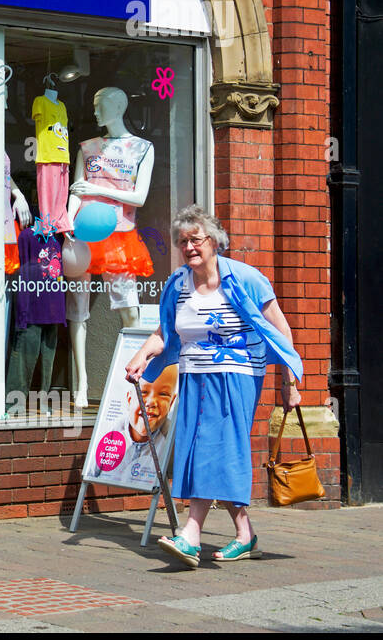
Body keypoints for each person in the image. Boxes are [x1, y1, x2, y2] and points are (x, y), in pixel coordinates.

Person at [125, 205, 302, 568]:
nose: (189, 247)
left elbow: (281, 331)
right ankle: (245, 534)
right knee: (200, 448)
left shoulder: (246, 278)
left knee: (210, 445)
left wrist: (289, 381)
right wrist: (142, 356)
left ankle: (190, 534)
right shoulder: (177, 283)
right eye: (182, 241)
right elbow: (165, 332)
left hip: (238, 375)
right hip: (193, 375)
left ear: (215, 241)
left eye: (196, 239)